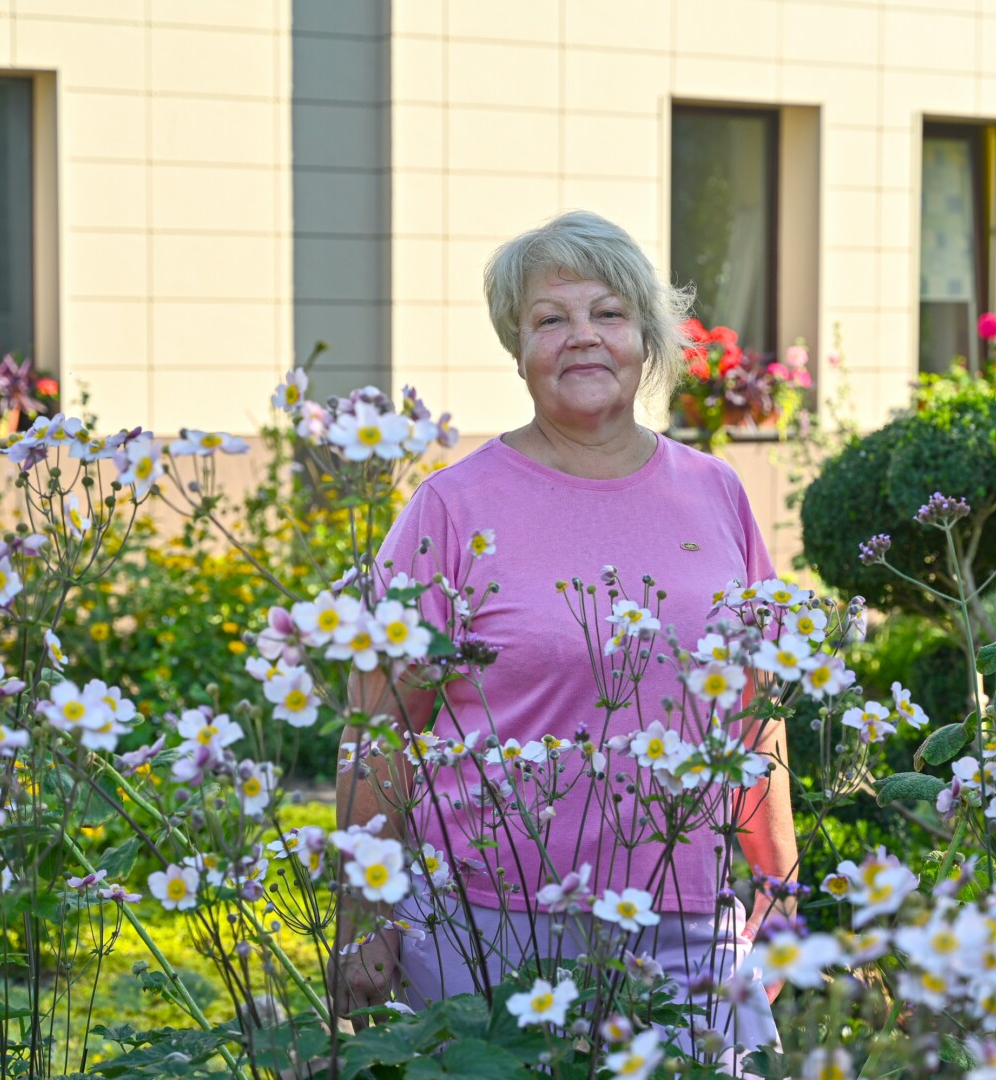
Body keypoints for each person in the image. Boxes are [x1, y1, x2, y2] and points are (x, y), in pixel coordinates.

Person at [332, 210, 796, 1064]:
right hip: (489, 926)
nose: (582, 337)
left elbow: (757, 716)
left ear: (648, 338)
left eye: (608, 313)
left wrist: (776, 892)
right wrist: (364, 918)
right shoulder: (452, 507)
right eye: (551, 318)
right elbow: (380, 727)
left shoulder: (716, 495)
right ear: (517, 348)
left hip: (687, 917)